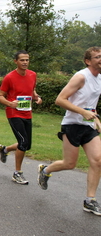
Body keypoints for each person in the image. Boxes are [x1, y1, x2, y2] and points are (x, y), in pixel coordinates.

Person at [37, 47, 101, 216]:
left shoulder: (99, 78)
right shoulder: (81, 77)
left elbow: (91, 104)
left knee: (98, 160)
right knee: (70, 164)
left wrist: (95, 118)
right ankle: (45, 170)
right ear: (88, 61)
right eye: (97, 57)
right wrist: (83, 112)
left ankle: (90, 200)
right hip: (72, 124)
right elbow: (60, 100)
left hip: (88, 126)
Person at [0, 50, 42, 185]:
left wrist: (37, 97)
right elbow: (0, 96)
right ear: (16, 61)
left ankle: (5, 150)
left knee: (26, 144)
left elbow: (31, 91)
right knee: (23, 142)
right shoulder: (9, 77)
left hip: (27, 112)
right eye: (22, 60)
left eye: (27, 60)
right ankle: (17, 173)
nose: (25, 62)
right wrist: (10, 104)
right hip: (13, 113)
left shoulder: (33, 75)